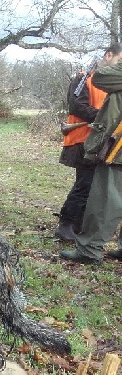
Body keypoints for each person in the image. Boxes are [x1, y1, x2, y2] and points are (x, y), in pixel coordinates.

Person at [55, 44, 122, 241]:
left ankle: (77, 226)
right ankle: (66, 225)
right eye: (119, 60)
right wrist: (103, 118)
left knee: (91, 186)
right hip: (81, 139)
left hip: (100, 142)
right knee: (84, 185)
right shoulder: (84, 77)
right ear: (109, 55)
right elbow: (76, 105)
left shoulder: (113, 83)